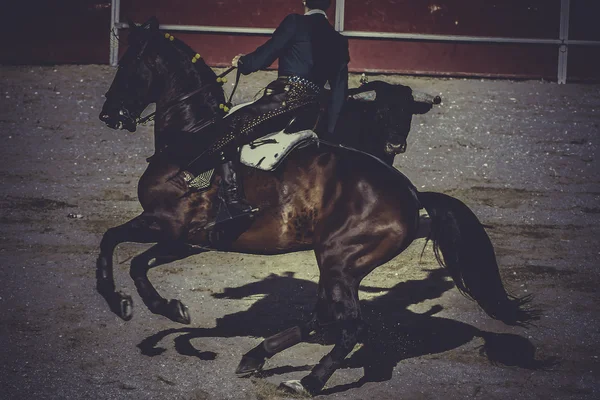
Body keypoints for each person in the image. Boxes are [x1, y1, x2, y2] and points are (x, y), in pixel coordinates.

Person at [199, 0, 349, 225]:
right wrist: (330, 129)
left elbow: (265, 56)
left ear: (305, 1)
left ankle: (233, 202)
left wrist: (244, 62)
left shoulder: (295, 22)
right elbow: (339, 91)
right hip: (314, 110)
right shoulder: (339, 40)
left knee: (226, 129)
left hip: (284, 101)